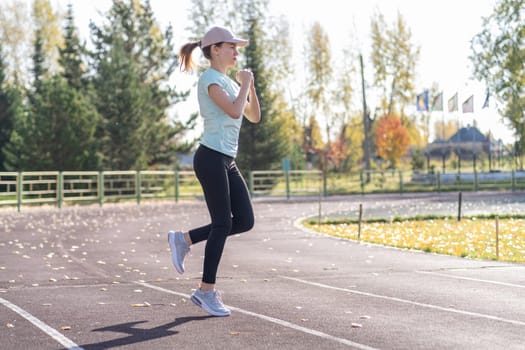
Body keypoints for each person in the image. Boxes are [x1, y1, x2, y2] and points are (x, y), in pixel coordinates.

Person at [168, 26, 261, 317]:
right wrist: (244, 83)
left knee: (244, 220)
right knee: (222, 222)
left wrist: (250, 85)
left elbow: (253, 116)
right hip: (209, 157)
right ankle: (205, 291)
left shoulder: (230, 83)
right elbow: (234, 111)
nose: (236, 51)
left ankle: (184, 239)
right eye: (231, 46)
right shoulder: (210, 79)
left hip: (226, 160)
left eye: (237, 47)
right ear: (215, 49)